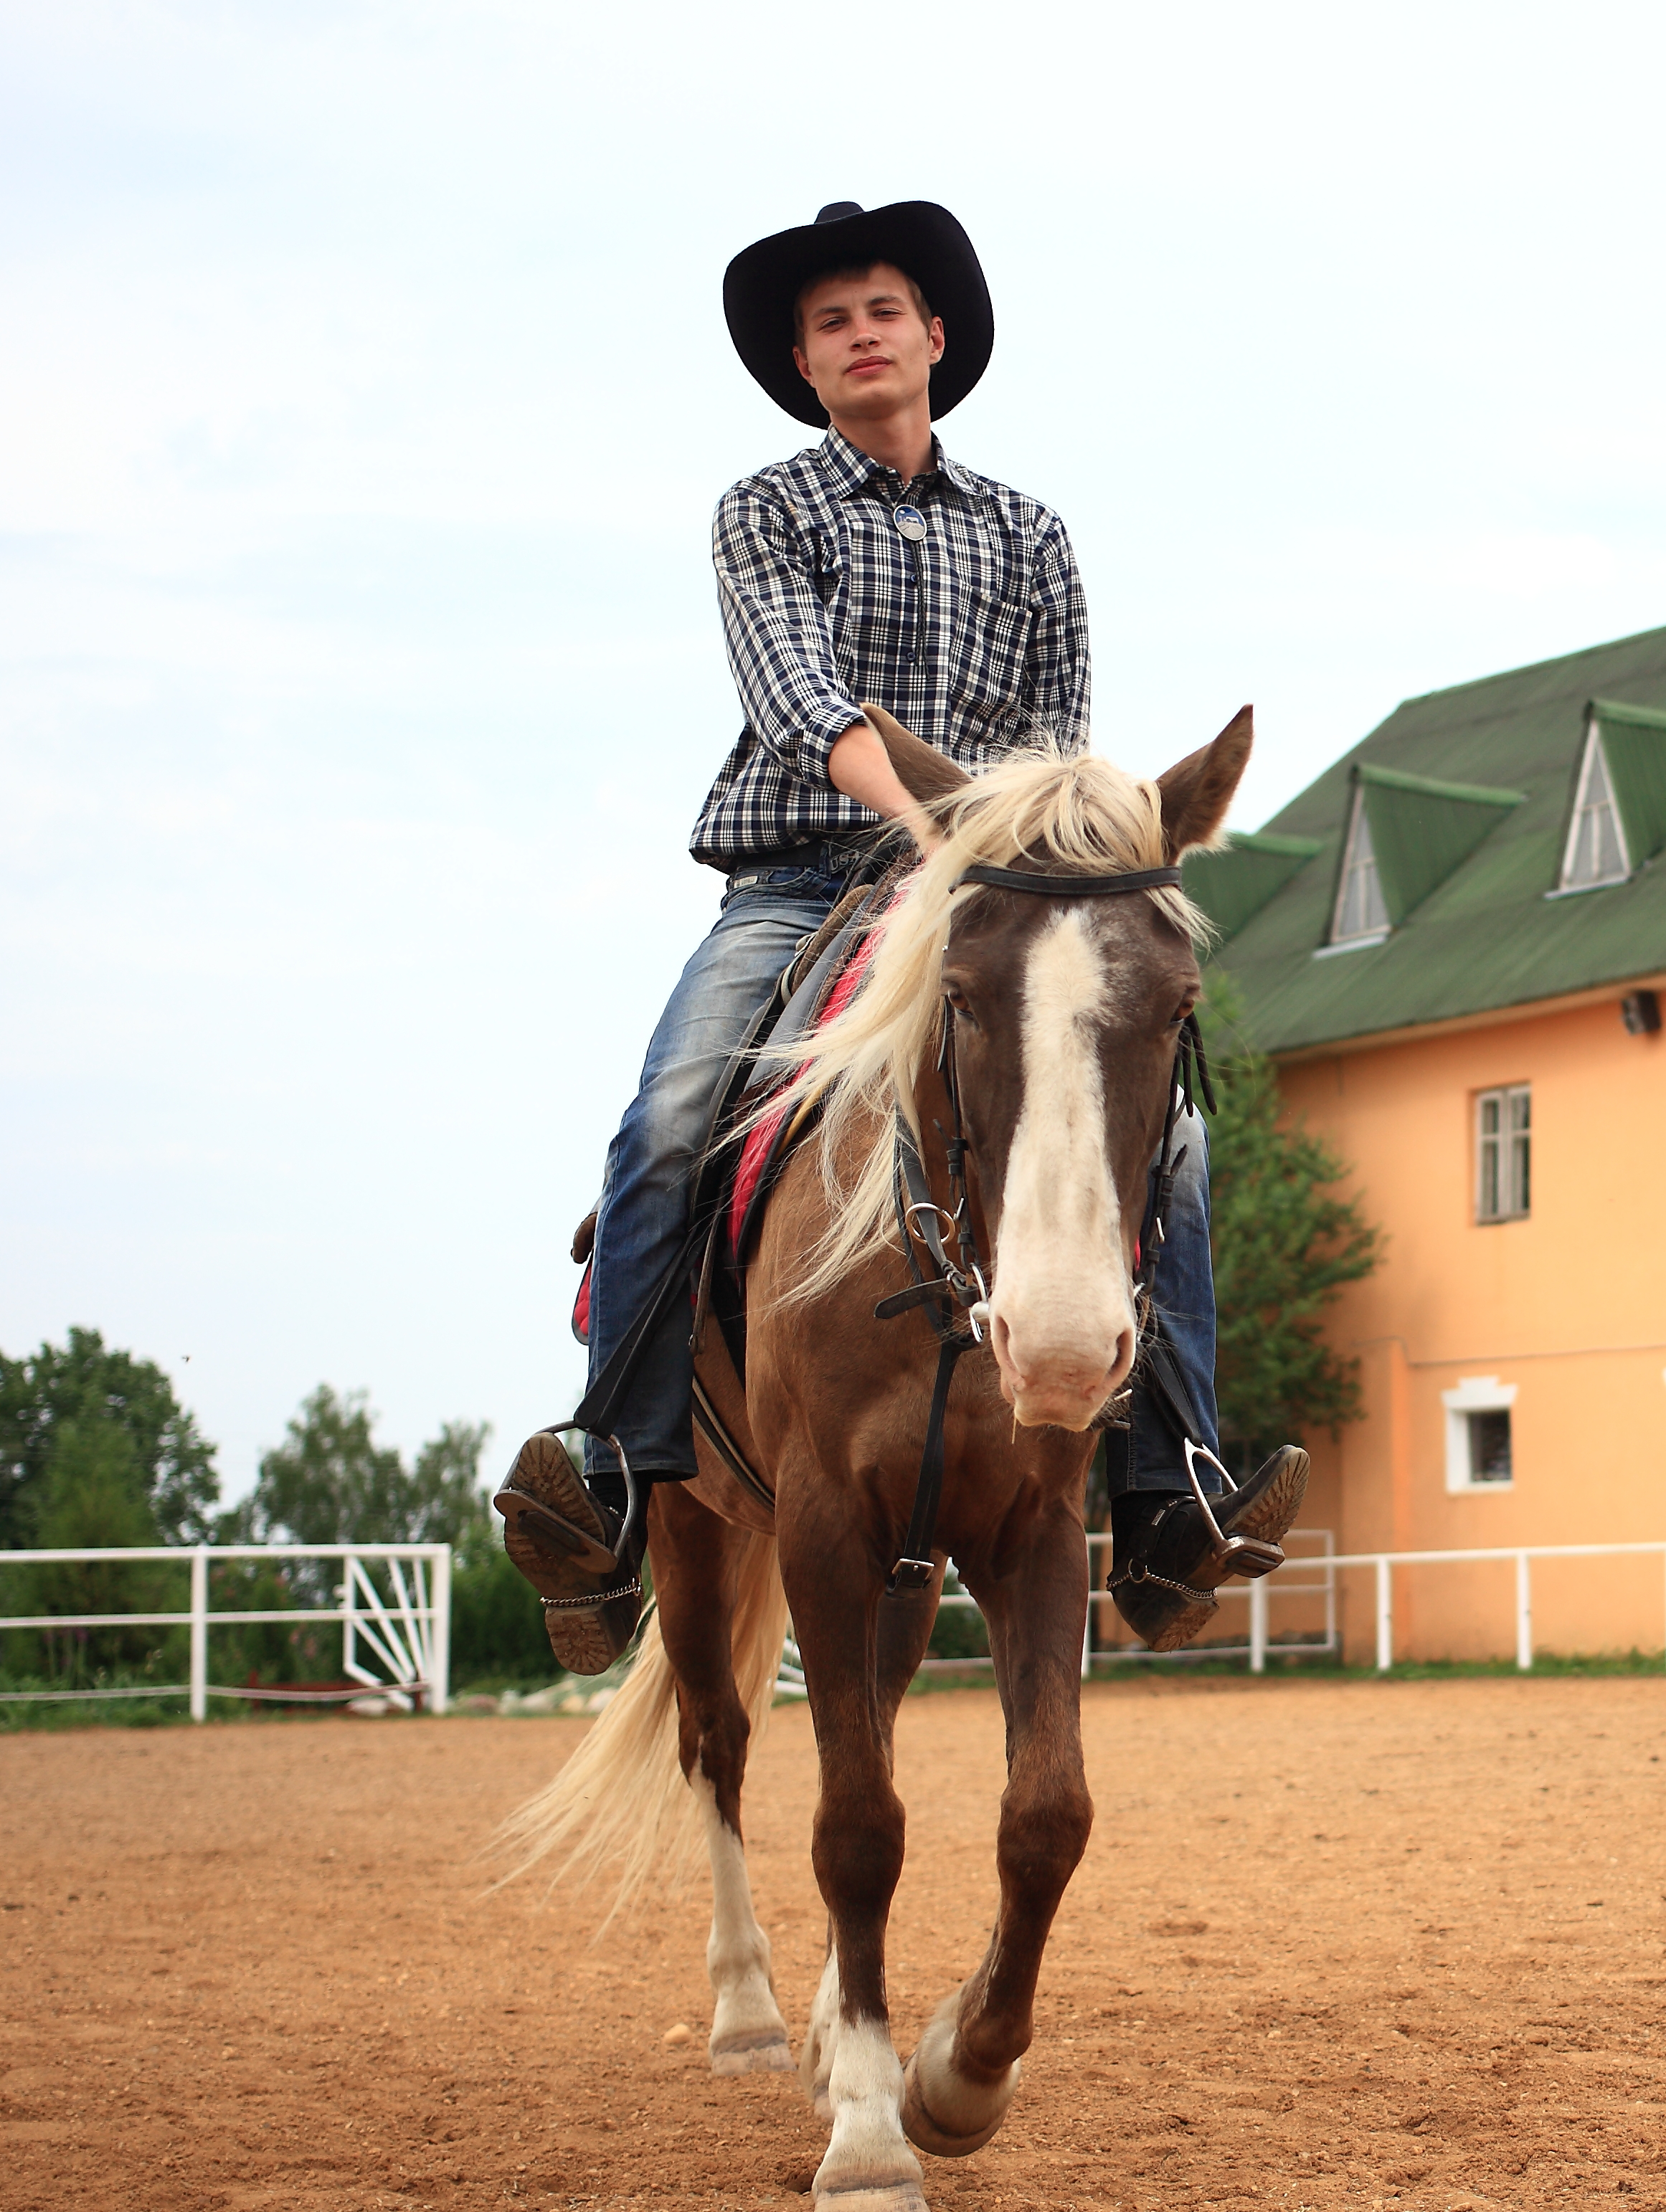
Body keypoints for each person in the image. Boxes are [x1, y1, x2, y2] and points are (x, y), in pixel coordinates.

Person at [496, 199, 1302, 1677]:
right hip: (801, 886)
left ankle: (1170, 1482)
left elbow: (1057, 750)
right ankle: (614, 1465)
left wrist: (1021, 857)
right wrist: (943, 828)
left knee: (1172, 1138)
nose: (862, 334)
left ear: (937, 338)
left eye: (885, 309)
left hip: (993, 903)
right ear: (806, 367)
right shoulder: (766, 512)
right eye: (830, 322)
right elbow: (806, 706)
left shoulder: (1034, 536)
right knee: (674, 1110)